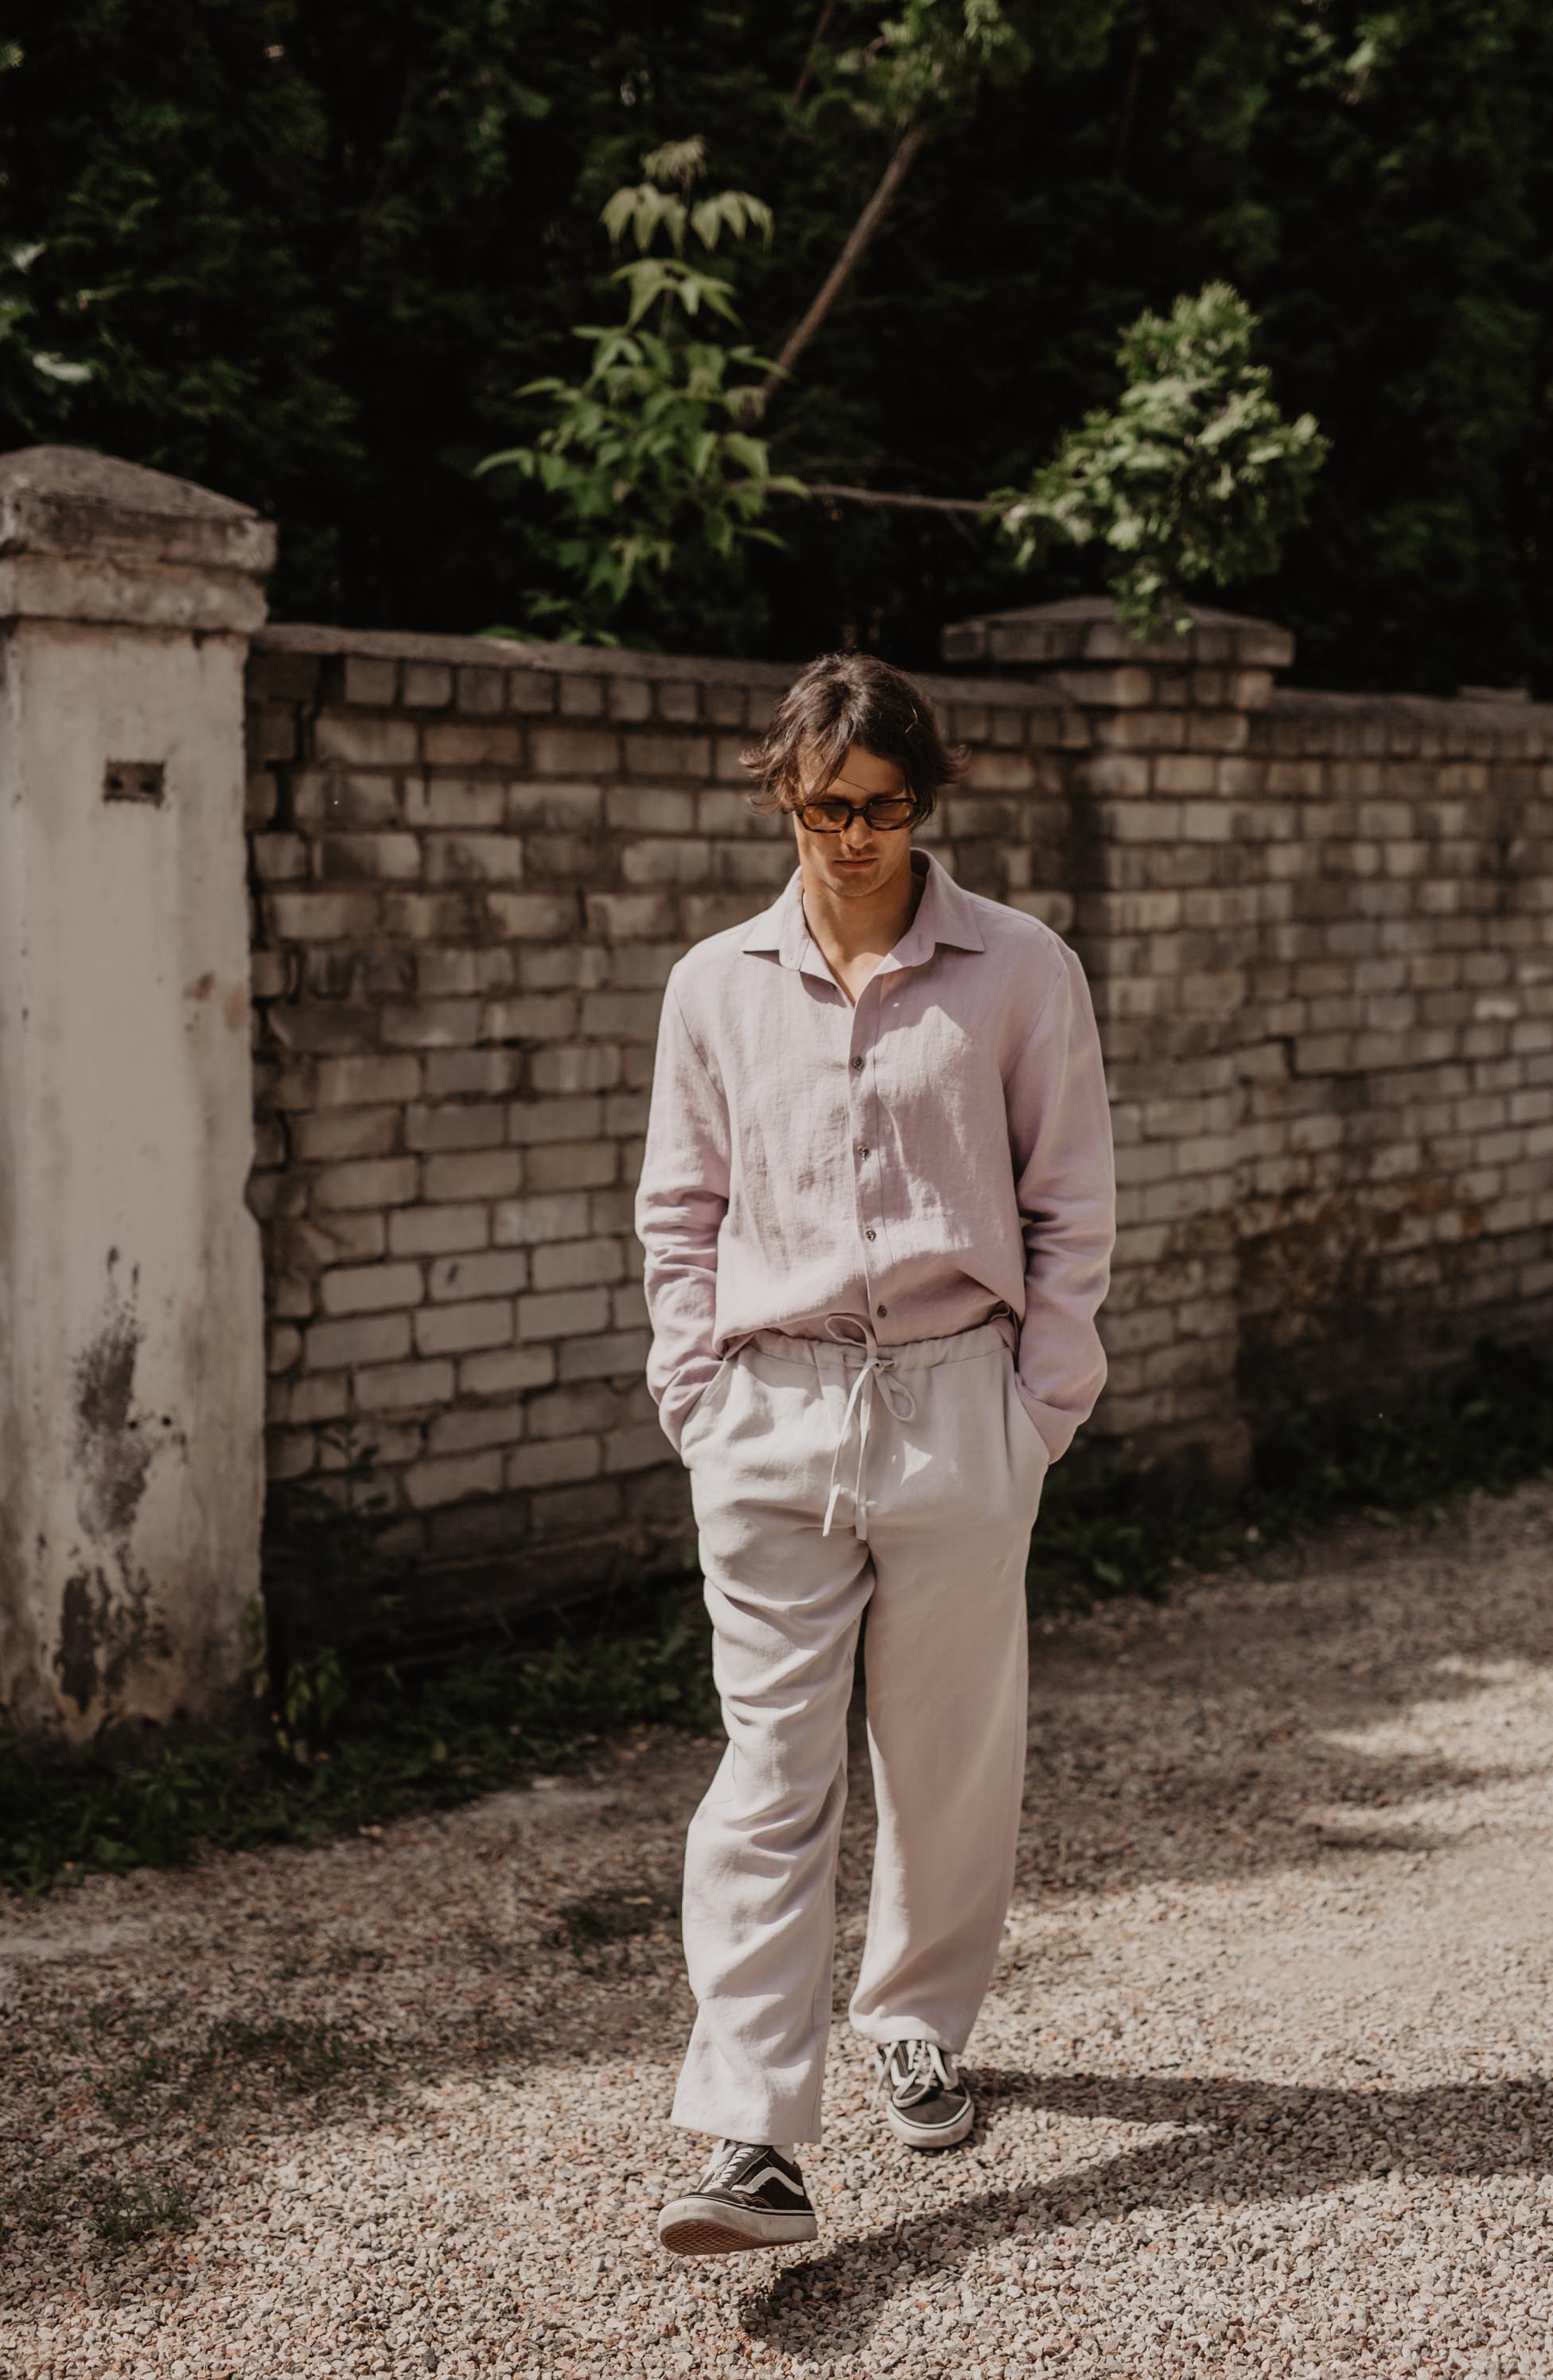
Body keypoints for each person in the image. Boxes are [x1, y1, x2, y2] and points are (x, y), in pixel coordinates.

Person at [633, 650, 1115, 2258]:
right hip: (768, 1414)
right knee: (770, 1772)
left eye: (886, 809)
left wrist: (1036, 1407)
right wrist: (696, 1396)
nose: (855, 839)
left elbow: (1070, 1200)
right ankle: (750, 2135)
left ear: (924, 804)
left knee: (946, 1750)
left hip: (954, 1402)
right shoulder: (714, 985)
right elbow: (679, 1210)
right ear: (782, 796)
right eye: (828, 808)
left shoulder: (1018, 968)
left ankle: (914, 2017)